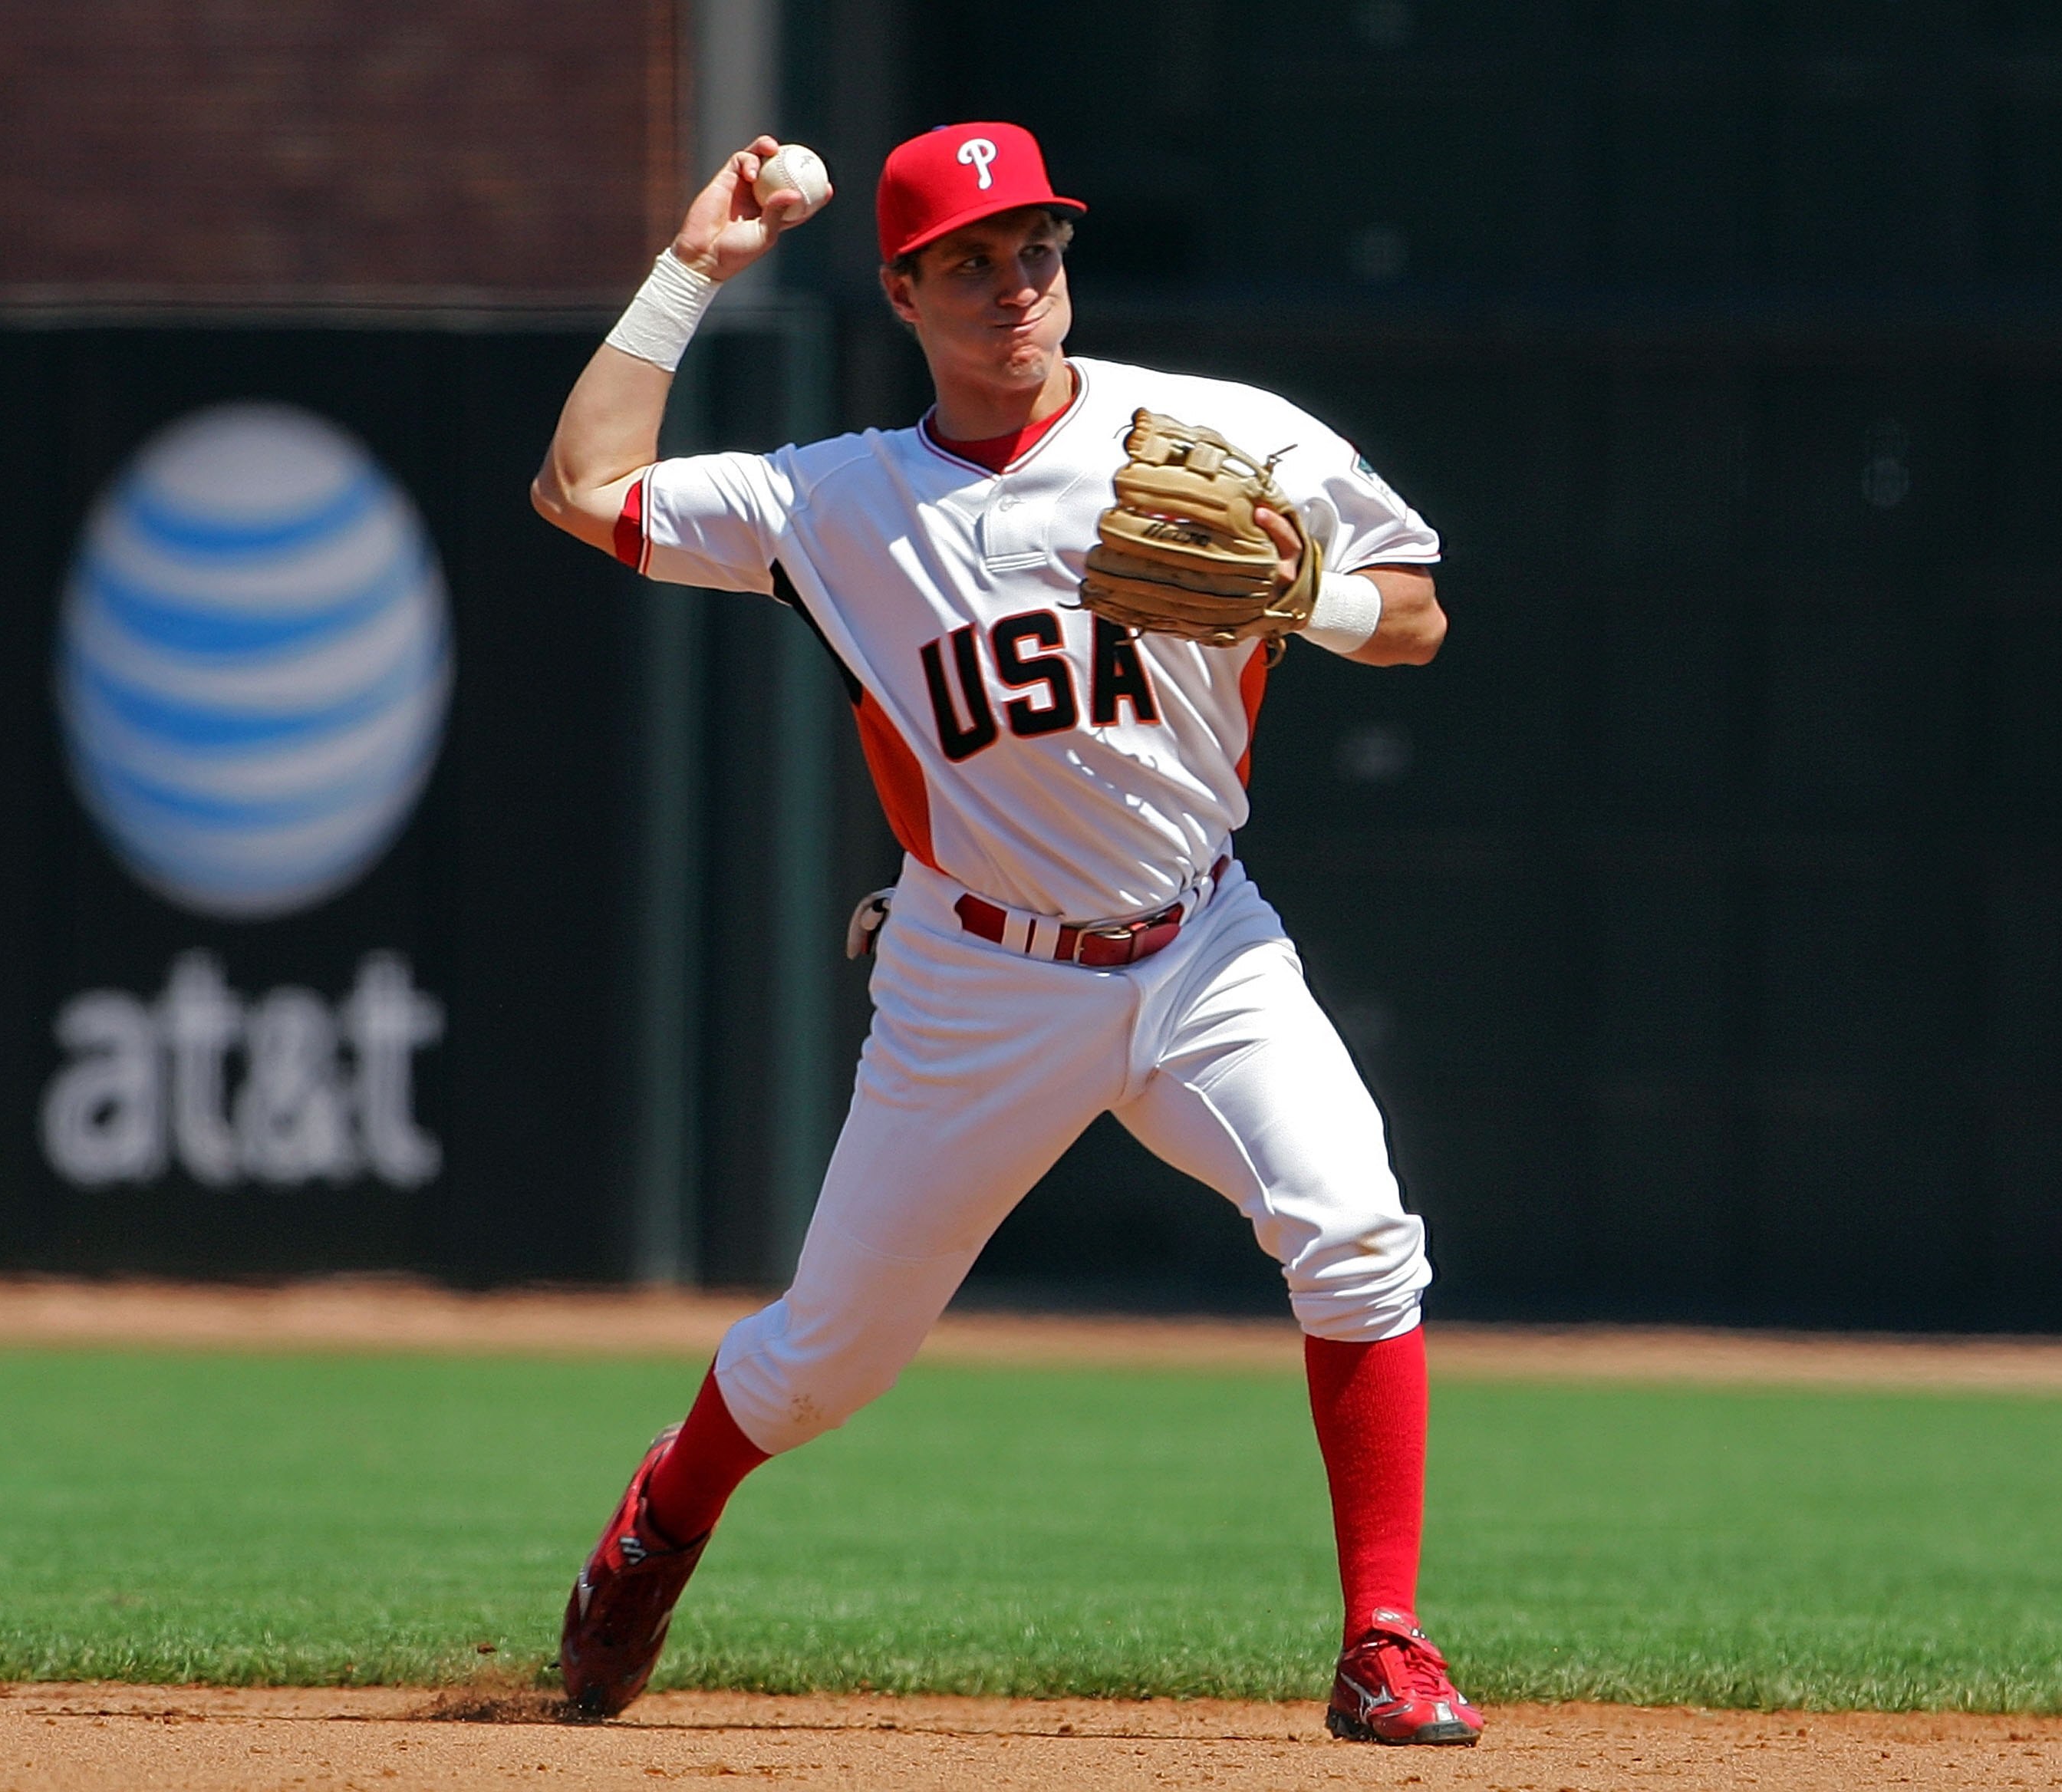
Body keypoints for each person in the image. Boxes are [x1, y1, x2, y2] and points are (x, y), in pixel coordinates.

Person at [529, 121, 1478, 1747]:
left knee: (1358, 1227)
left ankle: (1384, 1640)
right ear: (902, 291)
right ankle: (666, 1515)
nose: (1013, 286)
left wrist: (1293, 597)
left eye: (1035, 248)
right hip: (974, 977)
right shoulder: (838, 504)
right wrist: (694, 268)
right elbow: (582, 488)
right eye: (968, 261)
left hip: (1201, 948)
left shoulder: (1216, 439)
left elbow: (1417, 615)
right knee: (822, 1365)